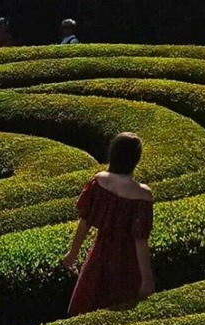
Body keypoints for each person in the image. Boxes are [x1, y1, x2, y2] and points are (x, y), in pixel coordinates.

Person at [61, 132, 156, 315]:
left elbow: (85, 223)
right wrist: (147, 280)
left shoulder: (99, 181)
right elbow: (140, 240)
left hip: (99, 255)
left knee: (87, 308)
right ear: (135, 159)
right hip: (127, 264)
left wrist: (72, 254)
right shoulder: (143, 194)